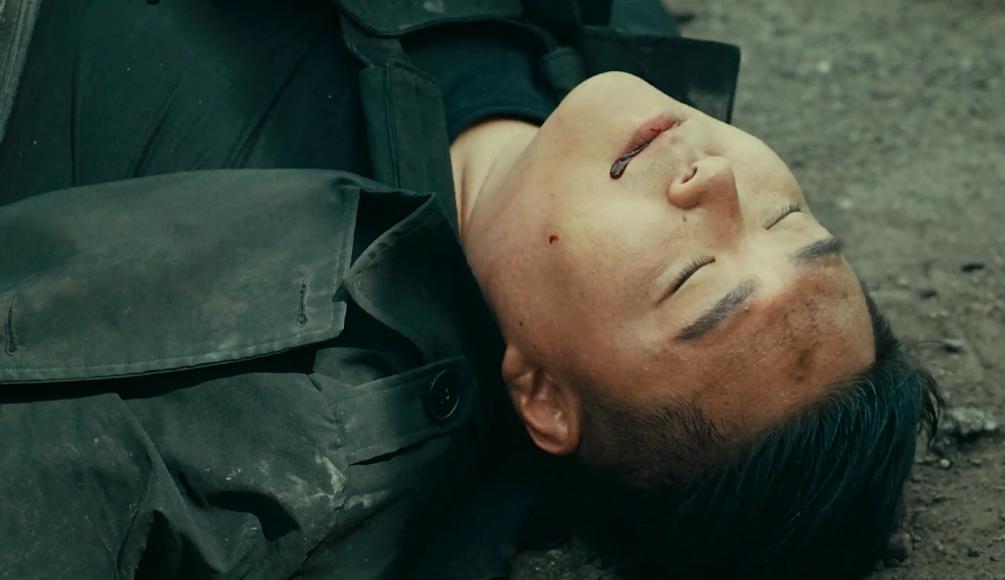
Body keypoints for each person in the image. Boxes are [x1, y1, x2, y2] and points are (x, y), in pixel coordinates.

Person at [0, 1, 941, 579]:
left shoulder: (302, 405)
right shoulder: (614, 52)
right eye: (787, 220)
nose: (720, 183)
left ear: (543, 397)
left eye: (693, 276)